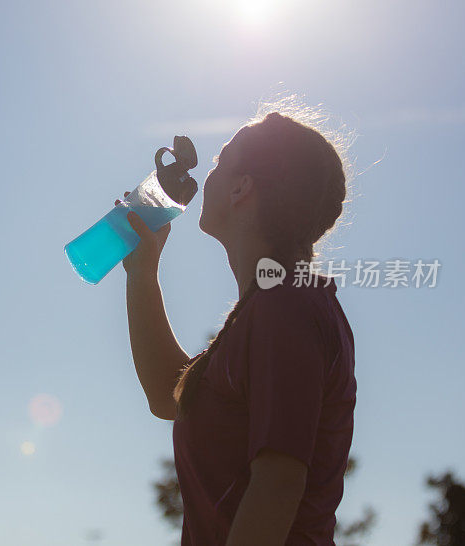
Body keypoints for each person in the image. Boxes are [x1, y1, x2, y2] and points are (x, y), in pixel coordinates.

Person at [116, 109, 357, 545]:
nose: (205, 175)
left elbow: (277, 484)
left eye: (219, 163)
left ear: (241, 187)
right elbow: (169, 395)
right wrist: (142, 271)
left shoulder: (286, 306)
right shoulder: (267, 307)